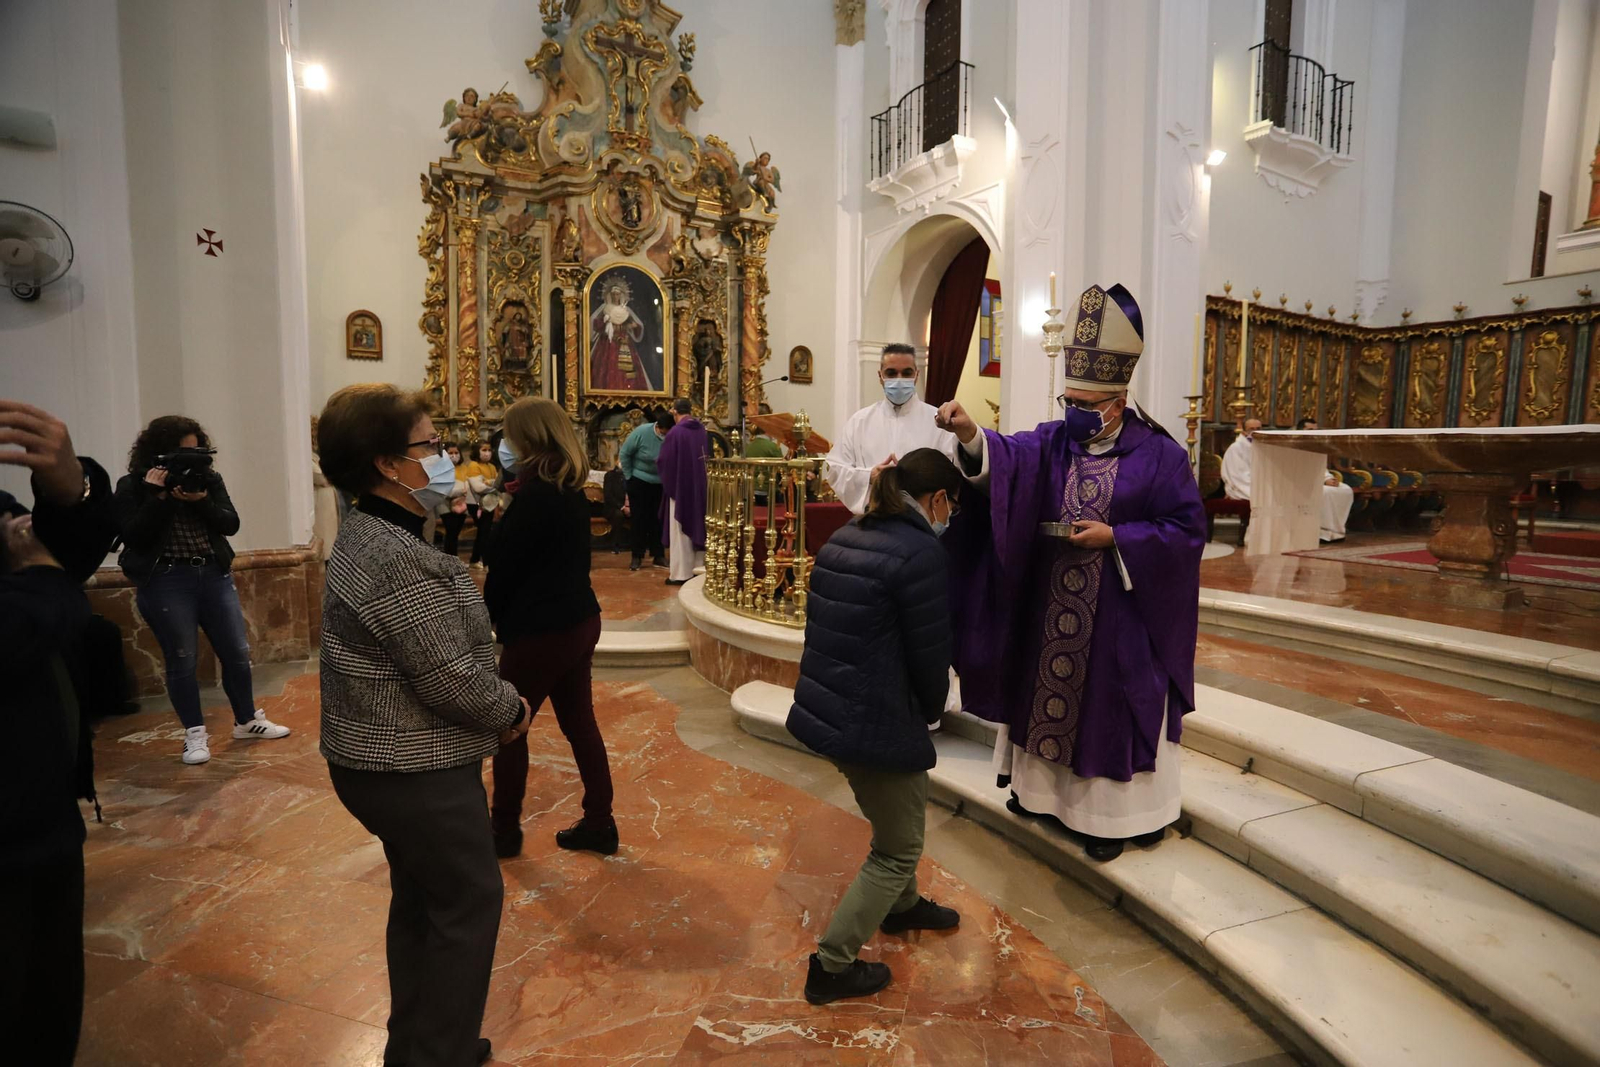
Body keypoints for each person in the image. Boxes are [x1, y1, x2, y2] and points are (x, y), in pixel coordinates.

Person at [936, 282, 1205, 863]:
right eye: (1070, 401)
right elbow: (1009, 459)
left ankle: (1110, 819)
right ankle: (1041, 797)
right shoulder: (1055, 441)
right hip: (1051, 608)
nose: (1075, 413)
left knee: (1108, 710)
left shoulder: (1162, 456)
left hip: (1119, 619)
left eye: (1087, 404)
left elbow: (1187, 532)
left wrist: (1119, 538)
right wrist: (969, 435)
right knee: (1042, 696)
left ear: (1118, 401)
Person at [317, 384, 531, 1067]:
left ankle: (418, 1045)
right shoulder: (394, 556)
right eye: (430, 444)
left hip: (385, 762)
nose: (443, 455)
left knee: (422, 900)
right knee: (469, 900)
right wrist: (510, 709)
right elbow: (448, 678)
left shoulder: (373, 531)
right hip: (411, 768)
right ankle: (439, 1053)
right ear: (386, 463)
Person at [787, 448, 965, 1004]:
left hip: (832, 705)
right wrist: (932, 710)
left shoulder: (849, 533)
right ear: (938, 499)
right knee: (898, 849)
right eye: (952, 507)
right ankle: (831, 966)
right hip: (875, 718)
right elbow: (930, 652)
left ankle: (903, 906)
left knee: (897, 819)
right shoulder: (920, 551)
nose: (950, 517)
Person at [0, 400, 117, 1067]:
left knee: (47, 1007)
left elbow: (48, 546)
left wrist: (69, 490)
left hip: (42, 811)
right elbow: (41, 585)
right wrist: (46, 584)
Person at [113, 416, 291, 764]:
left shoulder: (208, 480)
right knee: (182, 657)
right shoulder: (133, 485)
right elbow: (134, 536)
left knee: (237, 651)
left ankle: (246, 720)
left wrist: (201, 501)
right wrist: (158, 498)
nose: (191, 461)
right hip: (166, 580)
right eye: (183, 454)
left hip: (212, 574)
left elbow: (230, 523)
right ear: (160, 454)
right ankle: (194, 734)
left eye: (196, 453)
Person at [485, 398, 616, 858]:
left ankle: (503, 831)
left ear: (529, 437)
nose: (505, 443)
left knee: (508, 724)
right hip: (578, 619)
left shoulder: (536, 495)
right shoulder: (567, 486)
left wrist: (488, 620)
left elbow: (505, 568)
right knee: (580, 723)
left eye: (510, 434)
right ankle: (599, 822)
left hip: (542, 628)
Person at [824, 343, 957, 514]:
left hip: (922, 521)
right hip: (873, 517)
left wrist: (913, 480)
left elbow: (951, 473)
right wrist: (869, 476)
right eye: (891, 373)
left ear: (916, 375)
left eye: (907, 373)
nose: (899, 379)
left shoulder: (937, 421)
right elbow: (835, 469)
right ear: (880, 376)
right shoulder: (859, 422)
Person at [658, 398, 709, 586]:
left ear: (674, 412)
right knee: (698, 523)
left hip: (680, 488)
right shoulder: (702, 430)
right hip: (699, 485)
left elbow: (664, 461)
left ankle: (680, 573)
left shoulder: (675, 432)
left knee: (680, 530)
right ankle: (698, 569)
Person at [619, 411, 670, 571]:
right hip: (639, 481)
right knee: (639, 520)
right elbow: (625, 454)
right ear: (658, 427)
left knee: (658, 520)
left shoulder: (672, 436)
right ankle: (637, 556)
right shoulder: (642, 432)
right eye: (663, 432)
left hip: (660, 483)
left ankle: (658, 555)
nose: (665, 436)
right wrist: (629, 477)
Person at [1296, 417, 1354, 543]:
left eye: (1315, 430)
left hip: (1319, 480)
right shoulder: (1293, 446)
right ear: (1300, 430)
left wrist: (1330, 478)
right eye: (1310, 430)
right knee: (1325, 493)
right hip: (1300, 481)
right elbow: (1297, 470)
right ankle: (1322, 532)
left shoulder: (1317, 447)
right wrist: (1323, 481)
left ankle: (1337, 531)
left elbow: (1321, 468)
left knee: (1346, 490)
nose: (1314, 433)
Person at [466, 439, 502, 568]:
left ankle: (481, 559)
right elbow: (479, 487)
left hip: (490, 502)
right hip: (476, 503)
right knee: (483, 531)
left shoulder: (491, 466)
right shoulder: (474, 465)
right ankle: (478, 560)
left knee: (485, 531)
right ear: (477, 451)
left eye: (489, 450)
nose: (487, 453)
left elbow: (497, 484)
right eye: (484, 450)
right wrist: (492, 484)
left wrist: (489, 483)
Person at [435, 443, 471, 557]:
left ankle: (454, 558)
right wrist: (461, 492)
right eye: (450, 453)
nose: (454, 455)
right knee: (451, 532)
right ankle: (450, 558)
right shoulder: (441, 469)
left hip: (461, 504)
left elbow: (468, 484)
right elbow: (444, 490)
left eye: (456, 452)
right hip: (445, 505)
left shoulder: (464, 468)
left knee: (455, 534)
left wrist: (464, 494)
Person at [1220, 417, 1261, 503]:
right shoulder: (1236, 448)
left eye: (1258, 429)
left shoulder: (1263, 447)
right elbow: (1237, 476)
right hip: (1241, 486)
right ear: (1244, 432)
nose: (1255, 432)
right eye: (1251, 429)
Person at [602, 464, 628, 552]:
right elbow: (608, 496)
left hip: (629, 505)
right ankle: (615, 544)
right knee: (618, 515)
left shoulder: (632, 475)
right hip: (613, 507)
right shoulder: (610, 475)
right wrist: (622, 507)